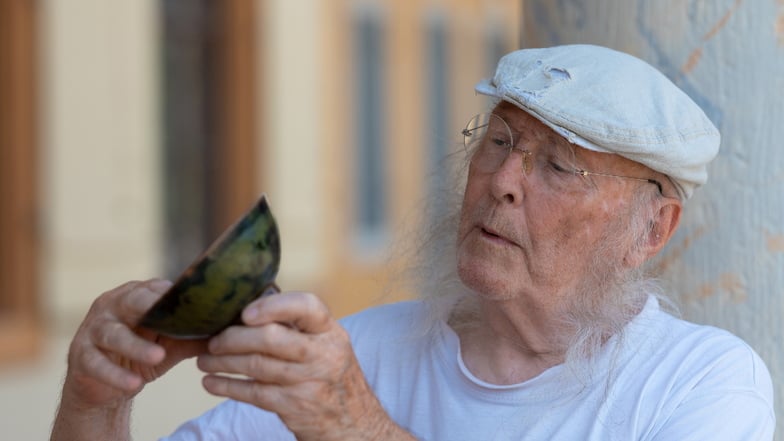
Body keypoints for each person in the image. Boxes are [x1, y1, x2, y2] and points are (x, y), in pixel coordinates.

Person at [50, 44, 775, 440]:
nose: (502, 181)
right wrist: (93, 401)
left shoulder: (700, 384)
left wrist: (351, 426)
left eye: (558, 164)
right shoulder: (354, 354)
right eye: (498, 141)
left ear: (651, 229)